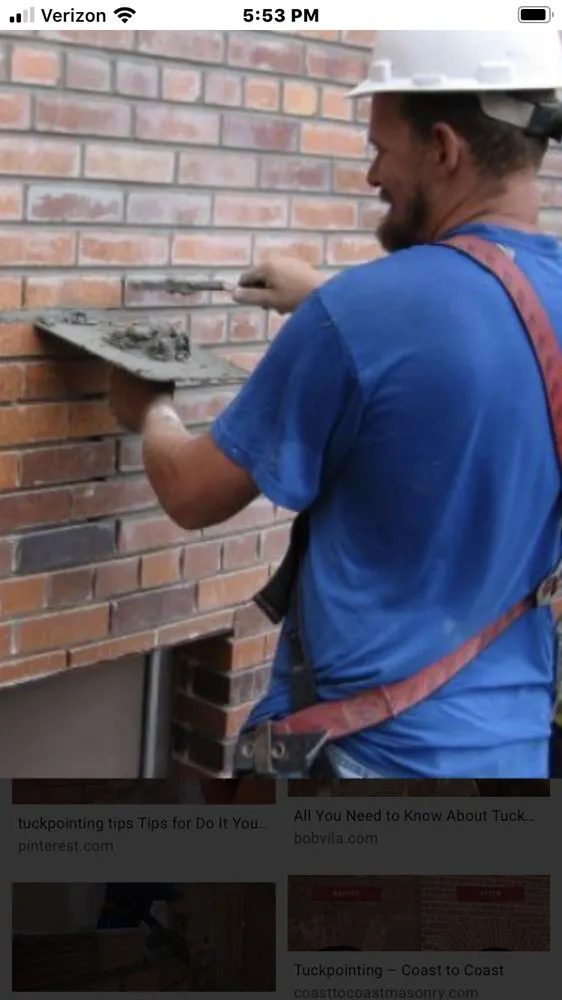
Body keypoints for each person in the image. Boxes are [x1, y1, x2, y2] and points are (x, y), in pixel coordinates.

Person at [109, 30, 562, 779]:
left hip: (364, 758)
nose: (371, 173)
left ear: (443, 148)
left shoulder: (363, 316)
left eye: (382, 149)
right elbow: (481, 337)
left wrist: (149, 406)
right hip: (511, 752)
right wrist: (325, 298)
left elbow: (191, 492)